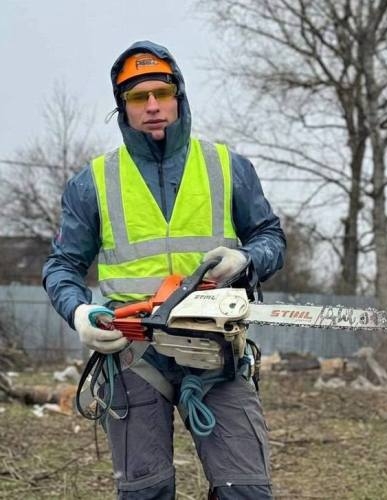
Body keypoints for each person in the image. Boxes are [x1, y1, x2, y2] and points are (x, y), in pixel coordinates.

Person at [42, 40, 286, 500]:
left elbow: (269, 236)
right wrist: (79, 312)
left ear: (179, 95)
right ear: (123, 106)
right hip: (134, 353)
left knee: (246, 489)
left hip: (216, 352)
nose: (152, 106)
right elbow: (62, 265)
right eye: (138, 97)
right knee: (145, 491)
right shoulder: (93, 181)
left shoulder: (227, 166)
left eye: (162, 92)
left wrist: (247, 259)